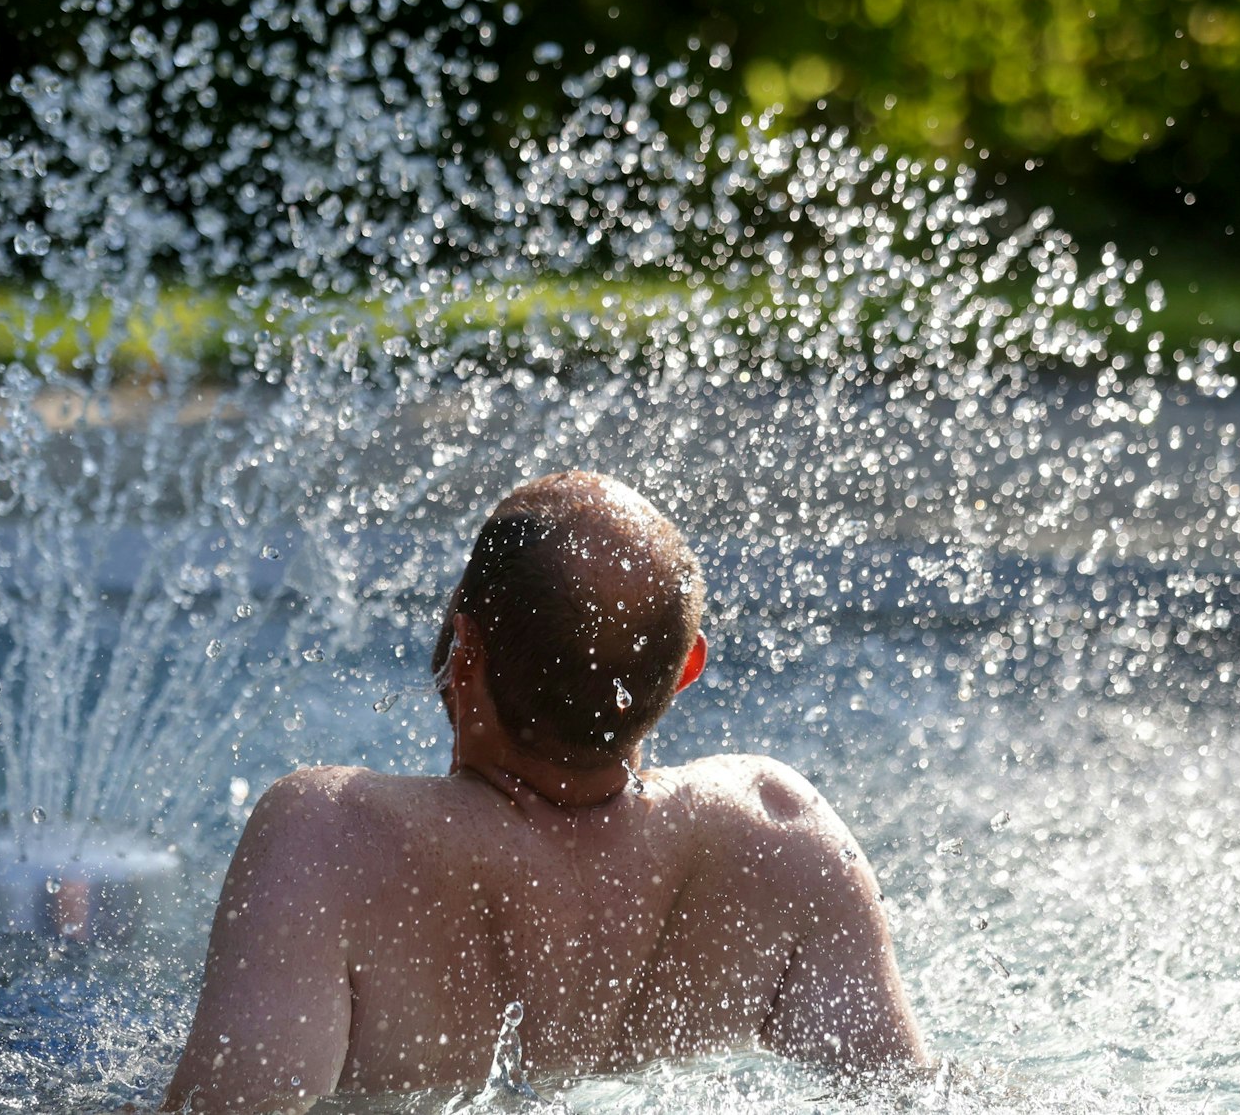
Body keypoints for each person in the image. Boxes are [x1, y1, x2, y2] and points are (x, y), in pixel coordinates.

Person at [163, 471, 925, 1112]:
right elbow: (908, 1095)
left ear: (466, 646)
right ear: (687, 668)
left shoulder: (333, 838)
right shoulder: (779, 829)